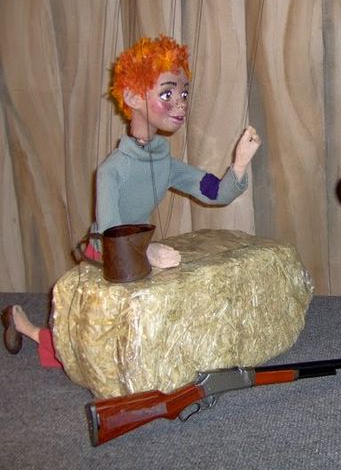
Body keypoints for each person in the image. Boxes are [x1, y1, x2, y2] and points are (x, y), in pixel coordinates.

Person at [2, 35, 261, 366]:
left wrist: (239, 164)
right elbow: (111, 232)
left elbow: (215, 191)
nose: (181, 103)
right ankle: (21, 323)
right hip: (107, 260)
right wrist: (147, 251)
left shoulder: (164, 163)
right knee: (89, 346)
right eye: (167, 94)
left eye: (184, 94)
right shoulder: (112, 171)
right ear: (133, 97)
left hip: (137, 258)